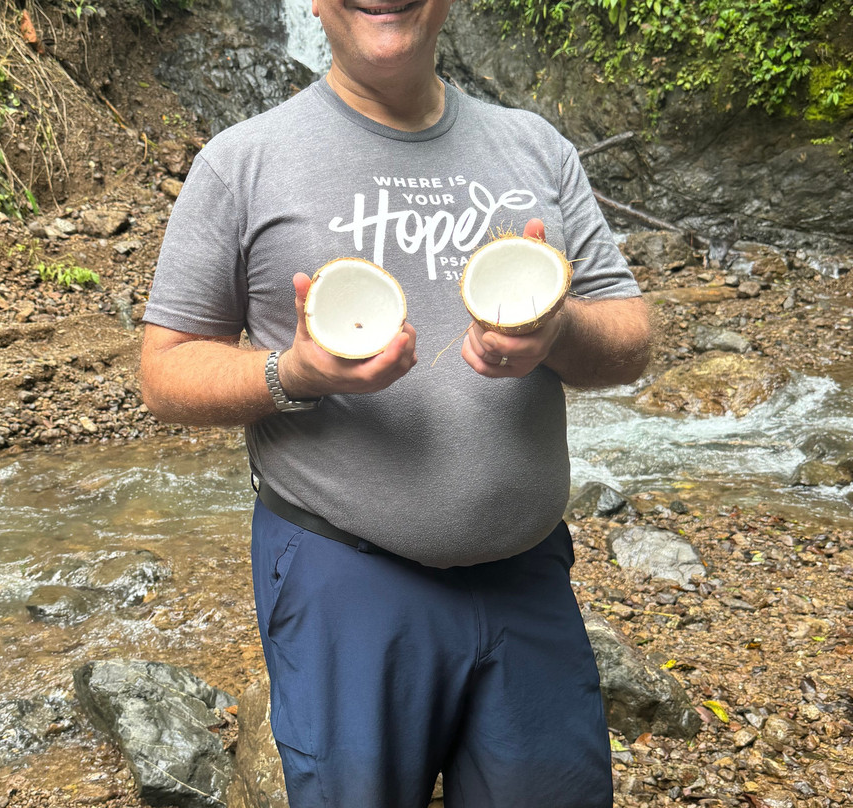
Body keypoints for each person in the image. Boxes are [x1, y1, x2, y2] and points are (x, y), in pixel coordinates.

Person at [139, 0, 651, 804]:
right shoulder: (241, 162)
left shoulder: (535, 148)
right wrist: (295, 374)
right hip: (345, 577)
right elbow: (164, 373)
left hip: (528, 577)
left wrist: (557, 333)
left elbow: (631, 336)